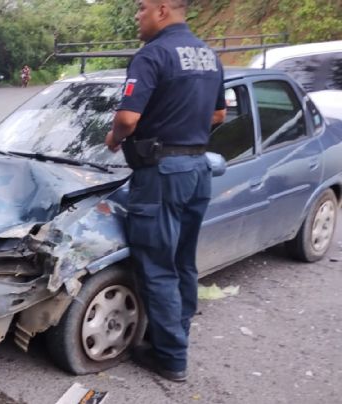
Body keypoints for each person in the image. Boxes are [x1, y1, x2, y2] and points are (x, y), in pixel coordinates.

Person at [104, 0, 226, 382]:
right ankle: (175, 333)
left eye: (141, 9)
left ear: (161, 10)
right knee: (182, 261)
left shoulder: (152, 55)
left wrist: (113, 138)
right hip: (197, 168)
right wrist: (184, 125)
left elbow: (127, 118)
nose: (137, 17)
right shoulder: (209, 55)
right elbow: (220, 114)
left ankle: (170, 357)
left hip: (161, 175)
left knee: (157, 268)